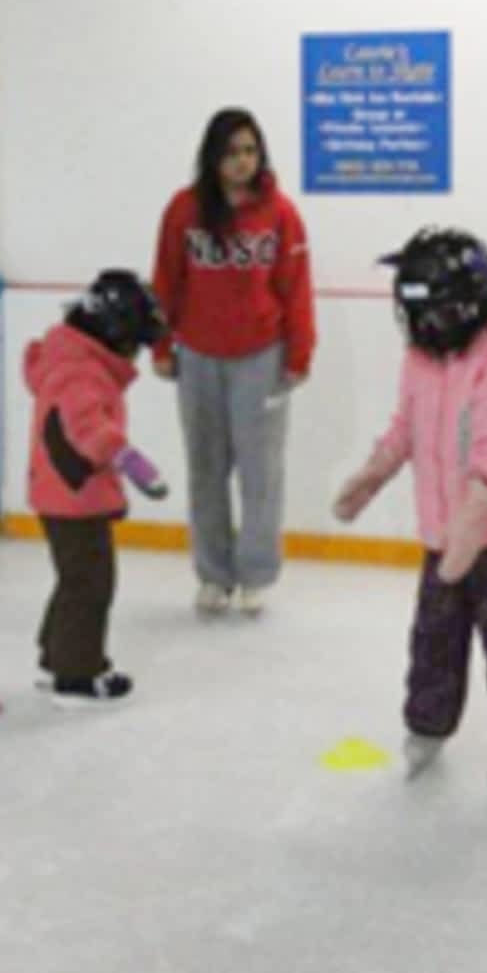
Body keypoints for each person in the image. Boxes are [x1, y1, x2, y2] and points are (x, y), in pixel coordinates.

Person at [333, 228, 487, 811]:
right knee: (433, 638)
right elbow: (408, 423)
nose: (420, 326)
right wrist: (377, 468)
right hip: (443, 532)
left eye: (429, 312)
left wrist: (479, 508)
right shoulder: (422, 355)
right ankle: (428, 726)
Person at [150, 109, 315, 618]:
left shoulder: (280, 214)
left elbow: (296, 288)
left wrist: (299, 352)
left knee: (261, 470)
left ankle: (256, 574)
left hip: (261, 358)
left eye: (250, 151)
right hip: (197, 356)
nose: (242, 162)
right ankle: (214, 575)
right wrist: (160, 344)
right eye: (231, 152)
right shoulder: (184, 209)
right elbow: (165, 280)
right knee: (205, 468)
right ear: (213, 157)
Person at [25, 269, 172, 705]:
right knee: (90, 585)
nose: (136, 355)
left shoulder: (71, 359)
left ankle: (57, 657)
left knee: (74, 579)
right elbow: (87, 426)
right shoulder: (81, 373)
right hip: (75, 494)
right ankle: (77, 676)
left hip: (62, 491)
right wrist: (132, 462)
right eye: (135, 344)